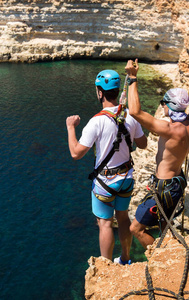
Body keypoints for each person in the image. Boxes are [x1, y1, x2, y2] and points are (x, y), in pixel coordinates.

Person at [66, 69, 148, 264]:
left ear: (100, 92)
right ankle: (126, 258)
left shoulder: (96, 122)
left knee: (104, 223)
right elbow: (143, 144)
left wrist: (70, 127)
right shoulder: (130, 115)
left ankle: (106, 266)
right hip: (126, 178)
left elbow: (76, 153)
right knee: (123, 218)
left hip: (105, 182)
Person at [125, 58, 189, 249]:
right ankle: (170, 255)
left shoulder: (169, 129)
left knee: (135, 229)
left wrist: (132, 77)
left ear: (169, 106)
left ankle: (158, 256)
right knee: (165, 227)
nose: (162, 106)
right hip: (177, 184)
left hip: (162, 188)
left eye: (164, 103)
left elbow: (135, 111)